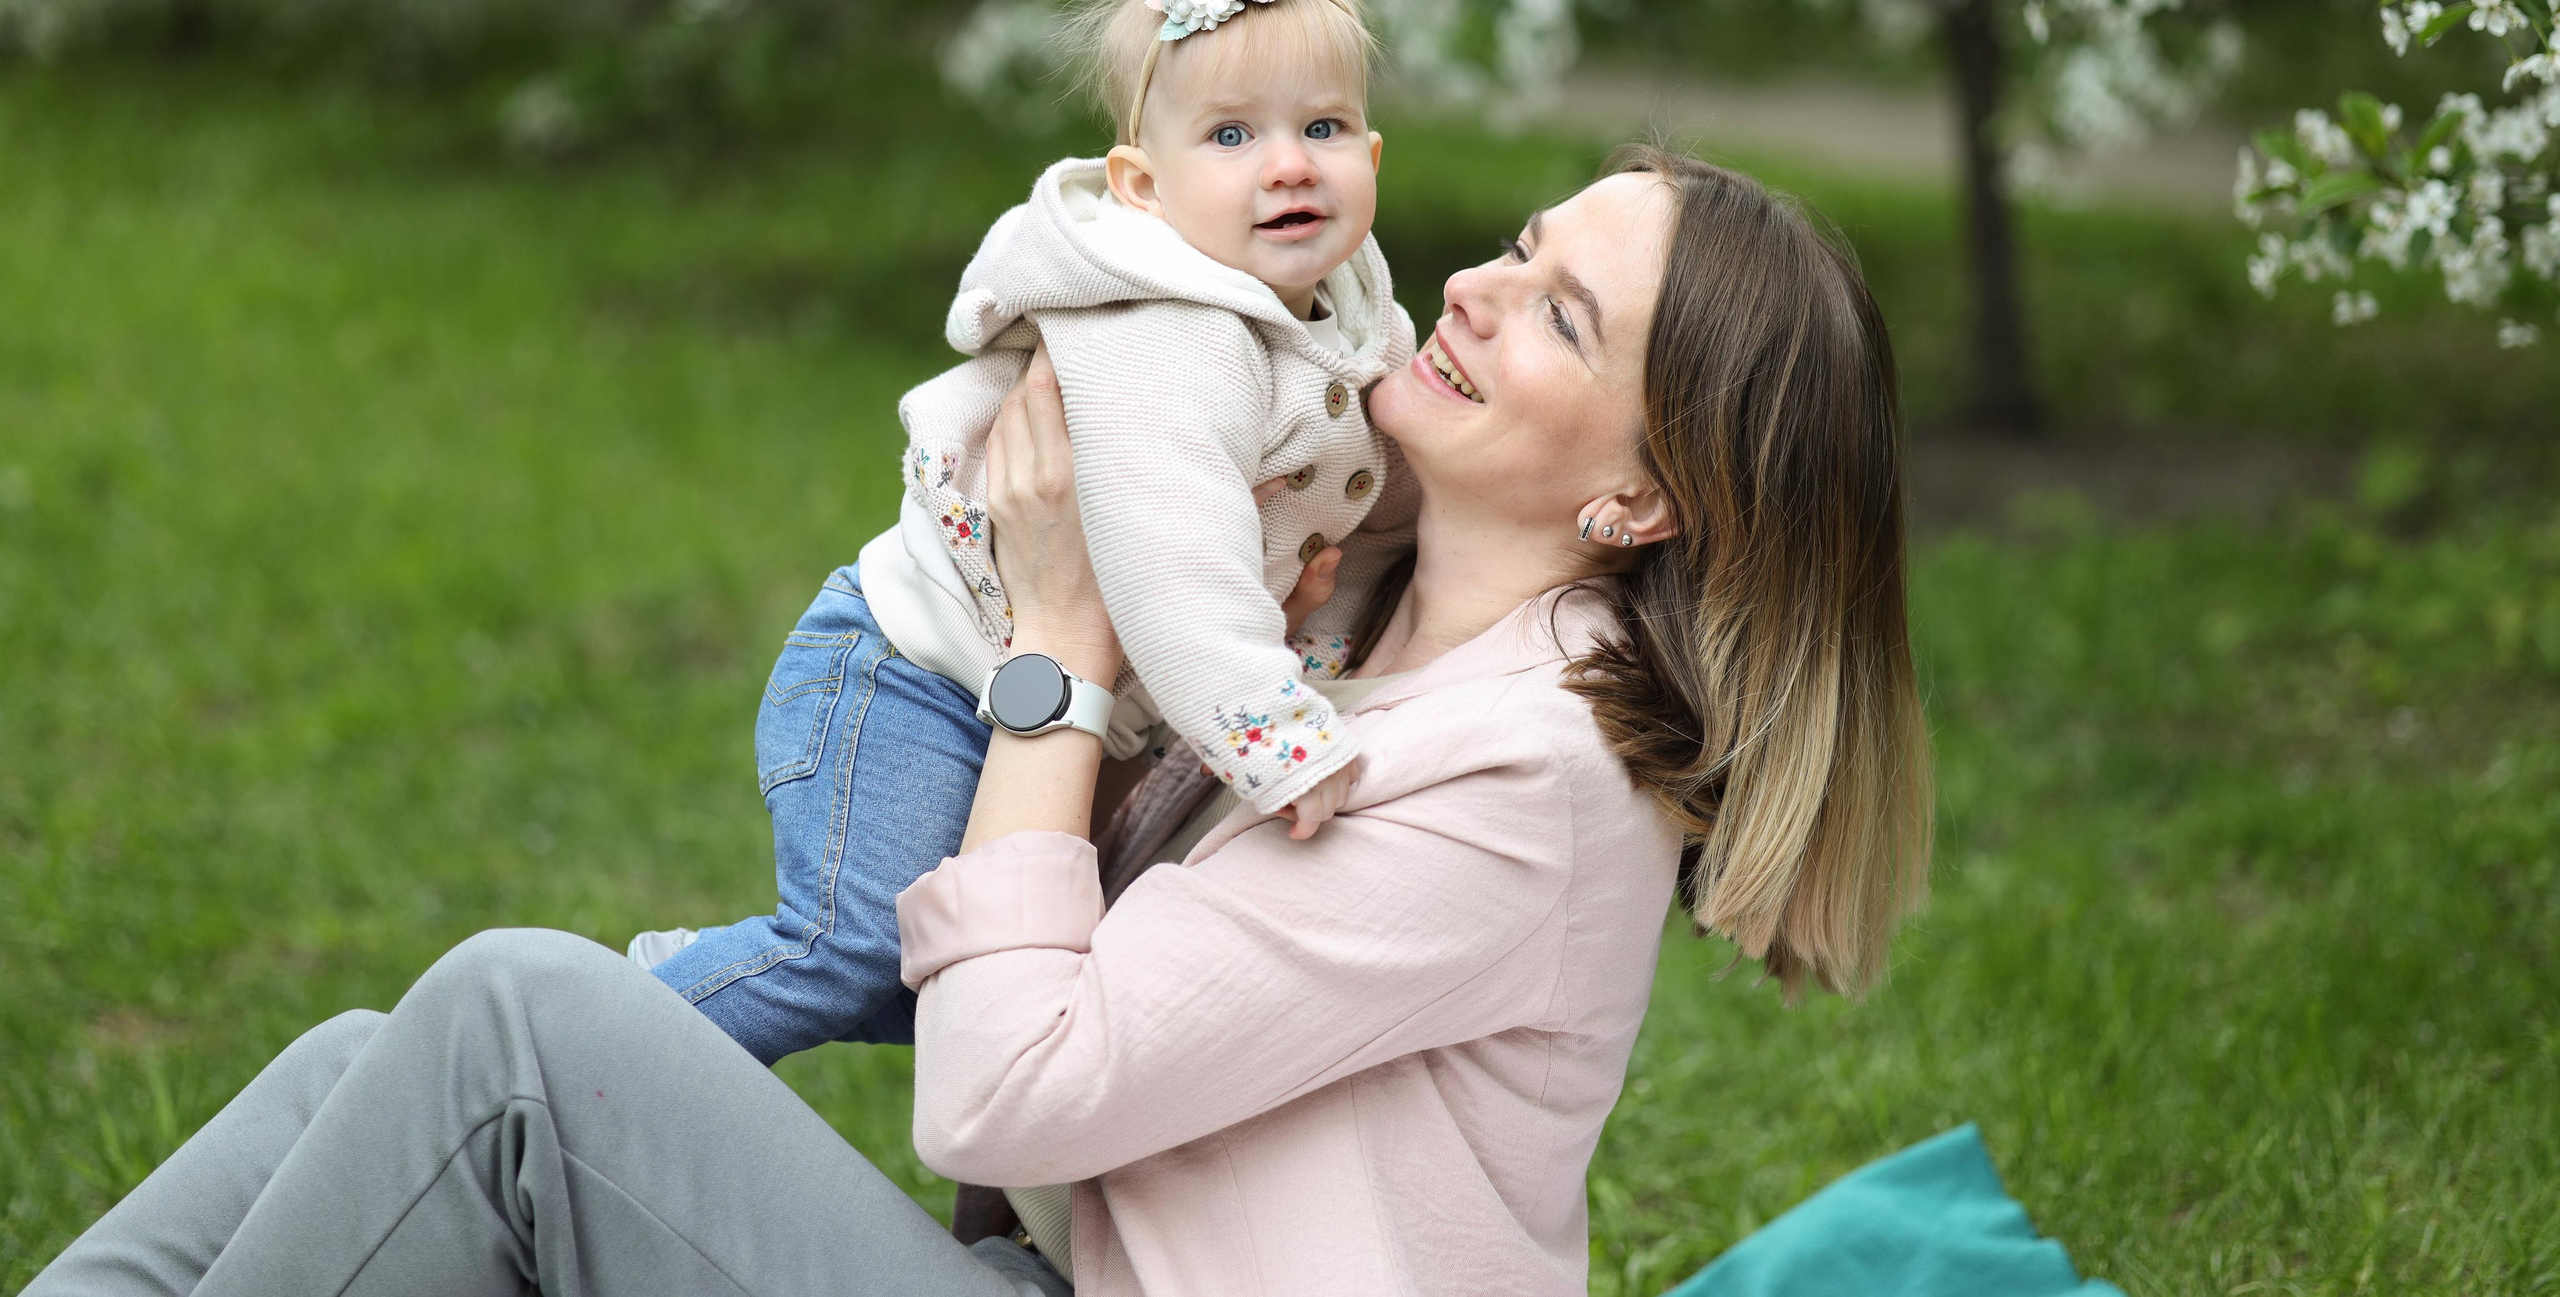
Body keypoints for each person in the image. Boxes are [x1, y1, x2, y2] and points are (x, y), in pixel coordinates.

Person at [25, 150, 1932, 1297]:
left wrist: (1060, 646)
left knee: (518, 1030)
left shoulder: (1529, 780)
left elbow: (1007, 1086)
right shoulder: (1351, 608)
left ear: (1640, 501)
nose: (1474, 285)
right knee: (382, 1060)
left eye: (1560, 318)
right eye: (1521, 244)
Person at [629, 0, 1419, 1064]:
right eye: (1232, 137)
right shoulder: (1170, 334)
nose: (1290, 163)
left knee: (940, 978)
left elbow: (1366, 500)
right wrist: (1278, 734)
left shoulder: (1347, 312)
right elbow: (1171, 556)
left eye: (1323, 125)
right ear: (1142, 187)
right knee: (846, 953)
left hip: (1031, 692)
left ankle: (659, 999)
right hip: (909, 673)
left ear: (1371, 155)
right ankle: (596, 1027)